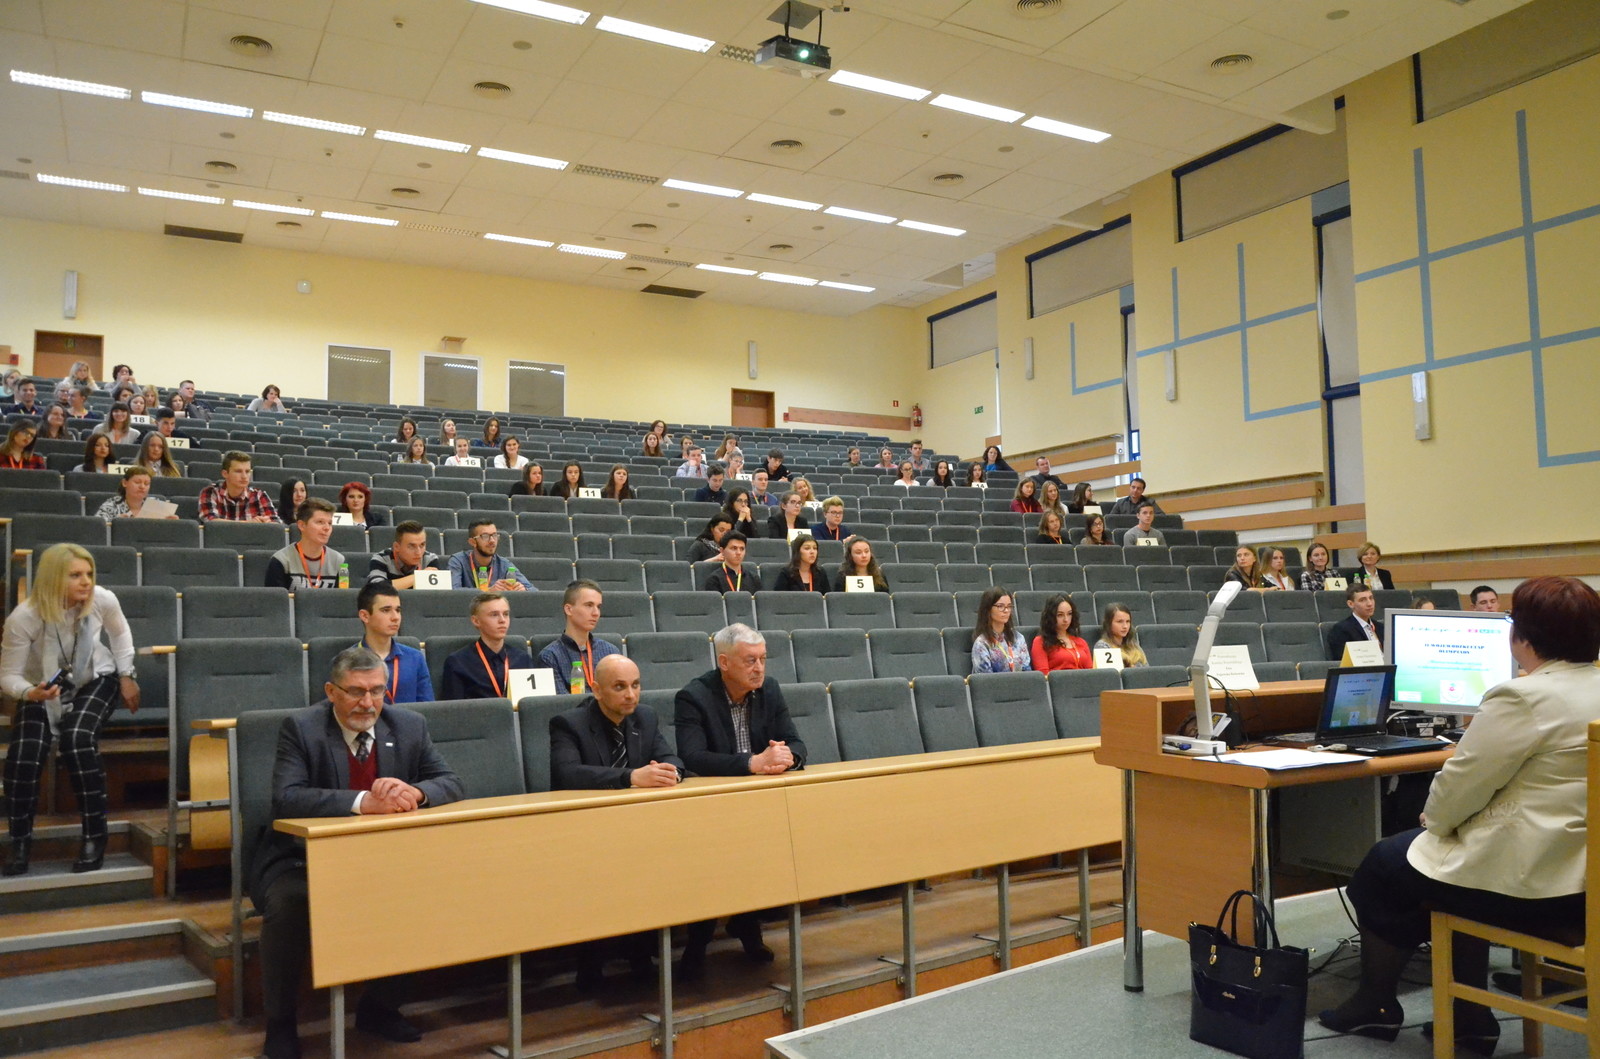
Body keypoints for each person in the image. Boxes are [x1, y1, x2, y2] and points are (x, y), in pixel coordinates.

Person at [1317, 577, 1600, 1050]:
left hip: (1534, 888)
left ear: (1523, 638)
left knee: (1384, 865)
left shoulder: (1522, 697)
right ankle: (1468, 1014)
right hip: (1585, 883)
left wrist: (1437, 822)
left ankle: (1377, 1004)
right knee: (1442, 863)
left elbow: (1458, 789)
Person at [250, 647, 462, 1059]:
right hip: (301, 857)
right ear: (331, 691)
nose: (368, 703)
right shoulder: (302, 728)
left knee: (420, 891)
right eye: (356, 692)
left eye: (377, 691)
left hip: (381, 856)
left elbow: (450, 781)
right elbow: (287, 798)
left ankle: (380, 1009)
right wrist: (364, 802)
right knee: (290, 906)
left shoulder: (409, 725)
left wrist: (415, 792)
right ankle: (280, 1024)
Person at [674, 624, 806, 976]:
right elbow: (693, 756)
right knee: (713, 866)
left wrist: (787, 757)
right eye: (750, 660)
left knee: (762, 855)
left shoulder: (770, 690)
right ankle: (698, 941)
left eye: (762, 659)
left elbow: (796, 742)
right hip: (712, 803)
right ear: (724, 662)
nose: (759, 668)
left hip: (759, 801)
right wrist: (752, 763)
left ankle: (748, 927)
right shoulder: (693, 697)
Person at [1, 544, 139, 876]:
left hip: (96, 678)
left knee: (77, 739)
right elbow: (7, 676)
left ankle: (95, 835)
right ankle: (19, 841)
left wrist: (126, 675)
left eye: (89, 574)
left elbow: (120, 634)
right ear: (53, 579)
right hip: (41, 688)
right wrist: (30, 692)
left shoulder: (102, 599)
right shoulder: (24, 617)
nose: (86, 581)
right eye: (75, 575)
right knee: (24, 754)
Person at [549, 653, 682, 990]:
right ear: (596, 690)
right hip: (587, 828)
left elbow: (671, 758)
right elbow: (566, 774)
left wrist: (670, 773)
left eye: (636, 685)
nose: (630, 695)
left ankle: (641, 957)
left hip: (640, 826)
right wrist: (631, 777)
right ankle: (590, 966)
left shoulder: (646, 717)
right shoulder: (568, 723)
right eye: (620, 687)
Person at [440, 593, 534, 699]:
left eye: (506, 614)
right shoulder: (458, 662)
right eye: (494, 615)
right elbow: (453, 707)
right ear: (476, 621)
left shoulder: (523, 659)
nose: (502, 620)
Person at [536, 579, 620, 695]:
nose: (596, 613)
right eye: (589, 605)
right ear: (569, 609)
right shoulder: (550, 657)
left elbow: (619, 695)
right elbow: (561, 703)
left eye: (598, 606)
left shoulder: (611, 652)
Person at [354, 582, 432, 704]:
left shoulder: (415, 658)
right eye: (386, 610)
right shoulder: (346, 662)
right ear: (365, 616)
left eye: (398, 610)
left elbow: (428, 708)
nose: (395, 617)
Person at [265, 498, 345, 590]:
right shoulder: (281, 560)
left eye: (330, 523)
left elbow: (342, 598)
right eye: (320, 522)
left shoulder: (338, 561)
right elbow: (274, 598)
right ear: (302, 525)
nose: (327, 528)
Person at [449, 519, 532, 591]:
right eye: (485, 536)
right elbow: (453, 590)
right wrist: (488, 591)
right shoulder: (458, 561)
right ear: (472, 542)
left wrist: (524, 589)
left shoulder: (504, 564)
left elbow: (533, 590)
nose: (492, 540)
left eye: (494, 535)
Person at [200, 451, 280, 522]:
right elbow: (211, 521)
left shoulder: (259, 495)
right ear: (225, 474)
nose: (244, 476)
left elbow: (276, 524)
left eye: (247, 471)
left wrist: (267, 522)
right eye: (238, 471)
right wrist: (250, 524)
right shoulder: (210, 492)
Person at [366, 521, 443, 589]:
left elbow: (436, 595)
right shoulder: (381, 559)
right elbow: (376, 588)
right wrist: (419, 577)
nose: (418, 552)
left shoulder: (430, 559)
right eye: (411, 546)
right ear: (396, 547)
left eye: (422, 545)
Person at [971, 586, 1031, 673]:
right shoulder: (981, 643)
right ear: (988, 609)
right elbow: (984, 678)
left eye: (1009, 606)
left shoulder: (1018, 638)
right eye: (1000, 606)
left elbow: (1027, 671)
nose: (1006, 610)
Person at [1030, 594, 1092, 672]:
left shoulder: (1081, 642)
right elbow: (1043, 674)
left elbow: (1091, 672)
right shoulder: (1040, 642)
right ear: (1050, 617)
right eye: (1060, 615)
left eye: (1069, 614)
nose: (1066, 619)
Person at [96, 465, 176, 520]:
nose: (142, 487)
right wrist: (115, 522)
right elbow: (97, 527)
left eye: (146, 484)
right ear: (125, 483)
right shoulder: (111, 505)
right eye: (137, 482)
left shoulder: (155, 505)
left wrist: (172, 523)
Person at [1327, 584, 1382, 660]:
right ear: (1350, 604)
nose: (1370, 604)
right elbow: (1342, 660)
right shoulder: (1341, 629)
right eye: (1362, 600)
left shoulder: (1381, 627)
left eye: (1371, 598)